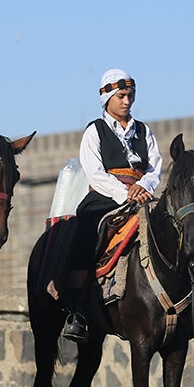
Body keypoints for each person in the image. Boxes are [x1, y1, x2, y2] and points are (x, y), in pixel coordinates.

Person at [61, 68, 162, 341]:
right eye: (121, 96)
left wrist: (145, 186)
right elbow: (95, 172)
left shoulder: (144, 130)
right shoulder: (95, 131)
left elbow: (155, 167)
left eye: (130, 95)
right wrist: (125, 193)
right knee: (85, 234)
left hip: (142, 194)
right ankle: (77, 311)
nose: (127, 101)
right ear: (107, 98)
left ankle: (189, 302)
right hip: (105, 197)